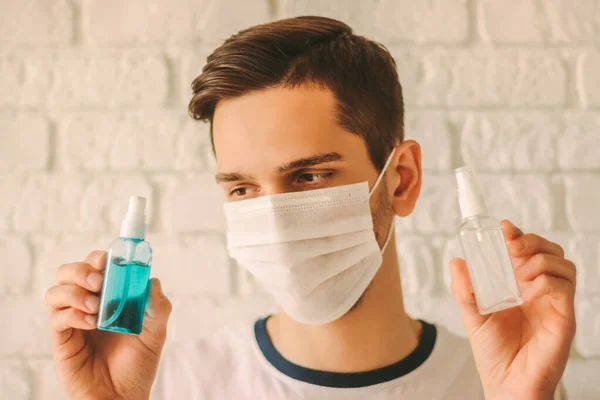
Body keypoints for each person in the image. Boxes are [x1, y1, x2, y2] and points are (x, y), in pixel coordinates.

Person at [45, 16, 576, 400]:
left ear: (402, 179)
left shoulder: (501, 380)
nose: (274, 220)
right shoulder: (171, 385)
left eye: (310, 176)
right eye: (242, 189)